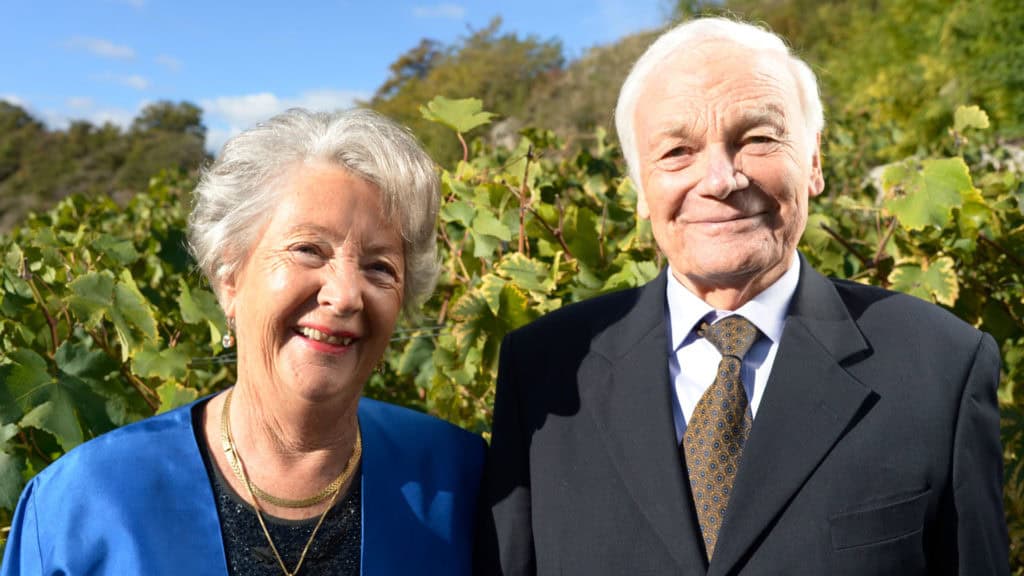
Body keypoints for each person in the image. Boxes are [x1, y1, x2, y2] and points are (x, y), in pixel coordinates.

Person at [479, 17, 1008, 575]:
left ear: (814, 161)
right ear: (639, 188)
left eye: (756, 138)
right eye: (678, 151)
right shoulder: (545, 372)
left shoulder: (940, 366)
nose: (720, 179)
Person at [2, 108, 485, 575]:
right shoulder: (81, 505)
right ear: (229, 276)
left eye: (380, 267)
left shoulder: (462, 482)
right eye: (308, 250)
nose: (344, 295)